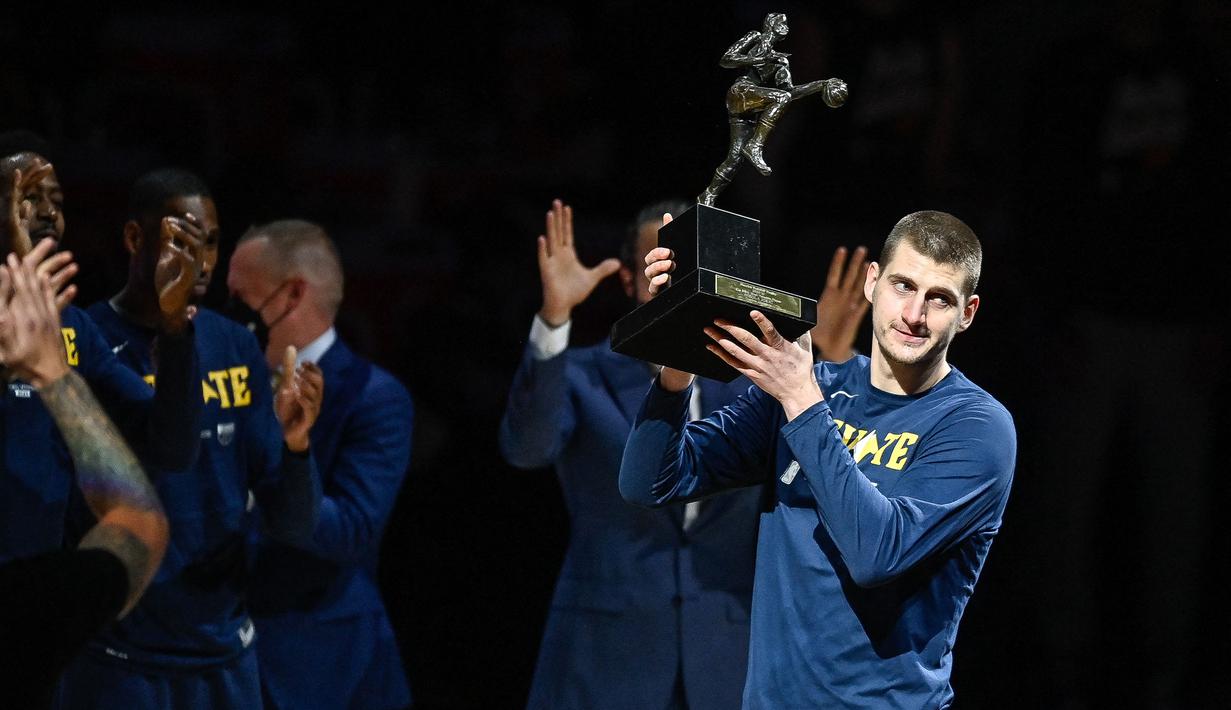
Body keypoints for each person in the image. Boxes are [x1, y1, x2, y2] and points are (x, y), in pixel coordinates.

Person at [621, 210, 1015, 708]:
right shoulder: (813, 385)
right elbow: (650, 481)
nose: (914, 315)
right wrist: (678, 349)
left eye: (939, 300)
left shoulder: (976, 426)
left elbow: (877, 554)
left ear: (968, 312)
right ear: (873, 282)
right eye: (902, 286)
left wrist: (802, 401)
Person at [500, 199, 868, 709]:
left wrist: (830, 360)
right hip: (606, 657)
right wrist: (554, 317)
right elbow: (527, 448)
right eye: (661, 265)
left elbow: (826, 480)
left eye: (691, 268)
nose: (677, 282)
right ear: (630, 279)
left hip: (724, 657)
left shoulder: (756, 386)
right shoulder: (582, 374)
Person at [55, 169, 324, 709]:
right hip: (119, 662)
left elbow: (292, 523)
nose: (200, 259)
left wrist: (297, 447)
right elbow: (168, 456)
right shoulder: (83, 342)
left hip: (224, 656)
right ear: (135, 239)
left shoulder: (234, 346)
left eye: (210, 243)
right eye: (181, 239)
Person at [227, 219, 414, 710]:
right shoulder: (223, 379)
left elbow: (351, 530)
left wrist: (290, 456)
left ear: (291, 295)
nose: (225, 315)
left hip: (318, 660)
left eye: (240, 298)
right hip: (215, 647)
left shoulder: (373, 398)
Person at [0, 140, 203, 565]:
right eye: (28, 199)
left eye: (56, 201)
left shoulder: (74, 328)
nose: (49, 214)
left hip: (32, 589)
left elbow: (170, 449)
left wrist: (173, 328)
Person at [0, 239, 169, 709]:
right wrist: (53, 373)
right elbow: (139, 519)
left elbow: (159, 428)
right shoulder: (27, 609)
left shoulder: (83, 328)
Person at [698, 12, 847, 205]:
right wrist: (757, 59)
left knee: (735, 158)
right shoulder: (755, 37)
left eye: (786, 23)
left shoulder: (781, 61)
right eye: (781, 21)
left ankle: (708, 195)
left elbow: (789, 93)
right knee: (779, 98)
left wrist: (819, 85)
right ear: (770, 23)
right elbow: (726, 59)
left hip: (750, 108)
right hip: (740, 92)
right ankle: (756, 146)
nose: (785, 25)